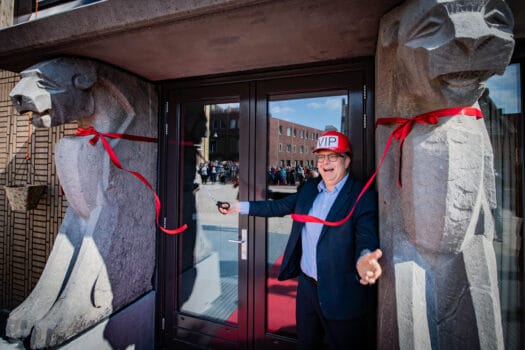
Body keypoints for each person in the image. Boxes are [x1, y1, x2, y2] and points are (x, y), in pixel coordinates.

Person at [219, 130, 382, 349]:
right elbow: (278, 206)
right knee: (306, 343)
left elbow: (366, 238)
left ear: (347, 160)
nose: (325, 163)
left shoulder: (362, 195)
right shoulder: (309, 189)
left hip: (341, 291)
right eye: (321, 157)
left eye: (332, 156)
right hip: (307, 288)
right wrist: (238, 207)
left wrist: (364, 261)